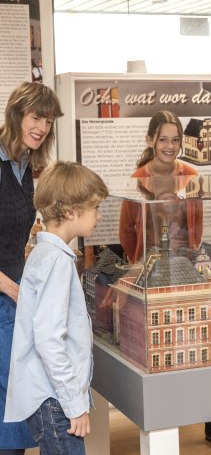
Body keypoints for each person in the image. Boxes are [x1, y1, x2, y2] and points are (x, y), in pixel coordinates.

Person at [119, 110, 211, 454]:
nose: (170, 146)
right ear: (151, 140)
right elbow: (126, 232)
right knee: (161, 345)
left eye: (176, 139)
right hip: (151, 270)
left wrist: (192, 262)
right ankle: (164, 420)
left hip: (184, 268)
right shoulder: (137, 179)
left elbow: (197, 227)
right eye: (163, 138)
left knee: (202, 344)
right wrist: (141, 265)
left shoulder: (191, 176)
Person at [4, 161, 109, 455]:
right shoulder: (56, 262)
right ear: (71, 212)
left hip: (48, 397)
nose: (99, 216)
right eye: (95, 208)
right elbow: (50, 338)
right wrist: (75, 407)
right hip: (55, 402)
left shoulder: (43, 253)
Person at [0, 82, 63, 455]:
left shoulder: (25, 165)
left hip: (14, 287)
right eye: (36, 116)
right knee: (14, 391)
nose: (42, 126)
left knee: (18, 392)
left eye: (49, 120)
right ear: (17, 114)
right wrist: (12, 289)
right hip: (5, 292)